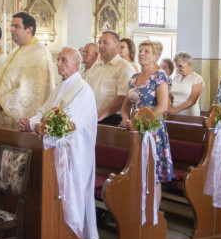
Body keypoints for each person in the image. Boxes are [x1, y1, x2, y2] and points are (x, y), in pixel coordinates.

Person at [17, 47, 98, 239]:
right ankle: (57, 235)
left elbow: (66, 125)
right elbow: (43, 112)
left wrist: (34, 126)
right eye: (58, 59)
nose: (59, 63)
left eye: (64, 60)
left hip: (75, 152)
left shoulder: (83, 90)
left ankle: (72, 238)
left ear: (77, 63)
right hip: (58, 150)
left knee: (73, 191)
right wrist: (30, 122)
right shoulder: (60, 87)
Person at [0, 12, 57, 127]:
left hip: (22, 123)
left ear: (29, 30)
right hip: (2, 118)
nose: (11, 29)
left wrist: (2, 103)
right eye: (11, 26)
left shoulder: (40, 53)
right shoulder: (15, 50)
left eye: (16, 26)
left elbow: (30, 89)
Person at [118, 41, 173, 186]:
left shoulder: (159, 76)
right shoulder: (134, 78)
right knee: (137, 172)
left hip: (152, 128)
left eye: (146, 51)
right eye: (140, 50)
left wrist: (141, 122)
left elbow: (162, 106)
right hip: (135, 128)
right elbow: (126, 105)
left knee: (153, 176)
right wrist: (125, 119)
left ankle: (153, 201)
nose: (141, 54)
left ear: (156, 57)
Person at [86, 31, 135, 126]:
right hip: (92, 116)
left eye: (105, 43)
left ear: (117, 46)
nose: (101, 46)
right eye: (99, 43)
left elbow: (122, 98)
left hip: (111, 118)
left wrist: (100, 116)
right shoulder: (96, 66)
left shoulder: (124, 67)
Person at [169, 52, 204, 116]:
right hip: (173, 114)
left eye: (180, 66)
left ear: (189, 64)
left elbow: (192, 101)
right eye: (177, 66)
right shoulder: (176, 78)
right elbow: (170, 96)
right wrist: (168, 108)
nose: (178, 69)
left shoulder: (197, 78)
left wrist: (174, 110)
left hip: (189, 115)